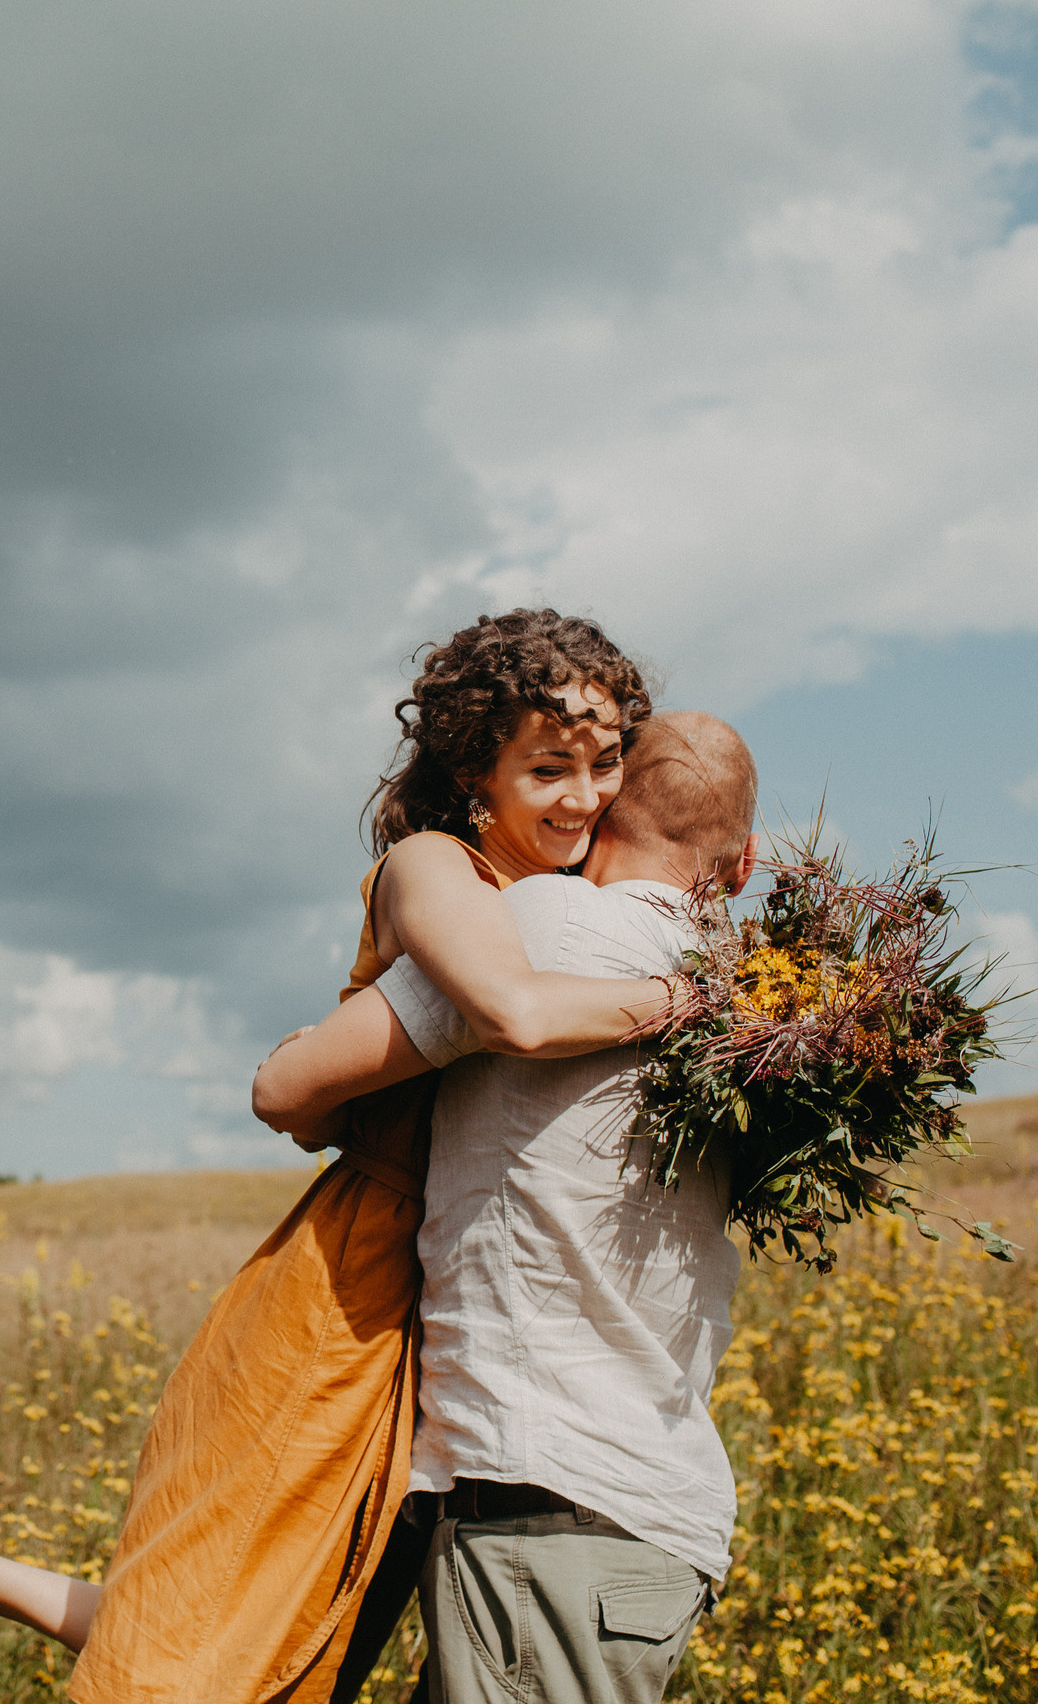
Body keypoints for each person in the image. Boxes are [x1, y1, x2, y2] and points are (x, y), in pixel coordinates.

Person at [0, 610, 686, 1704]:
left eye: (602, 766)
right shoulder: (434, 867)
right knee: (232, 1641)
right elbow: (495, 1021)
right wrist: (704, 1002)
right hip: (351, 1291)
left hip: (451, 1306)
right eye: (547, 768)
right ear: (472, 778)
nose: (583, 798)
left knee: (299, 1634)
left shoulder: (562, 910)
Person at [264, 709, 761, 1704]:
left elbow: (289, 1087)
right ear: (742, 866)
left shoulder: (533, 929)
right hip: (643, 1518)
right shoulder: (758, 1004)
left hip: (544, 1507)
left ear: (598, 808)